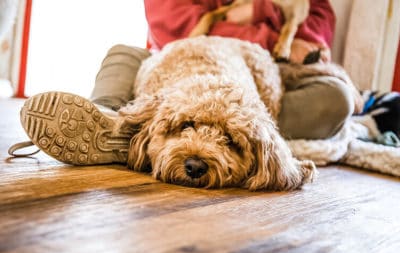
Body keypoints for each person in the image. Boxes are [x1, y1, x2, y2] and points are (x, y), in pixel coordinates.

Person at [12, 0, 363, 163]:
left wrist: (258, 13)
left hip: (267, 71)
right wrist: (272, 25)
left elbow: (317, 23)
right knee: (123, 54)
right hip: (177, 62)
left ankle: (246, 135)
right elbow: (175, 23)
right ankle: (108, 124)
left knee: (336, 98)